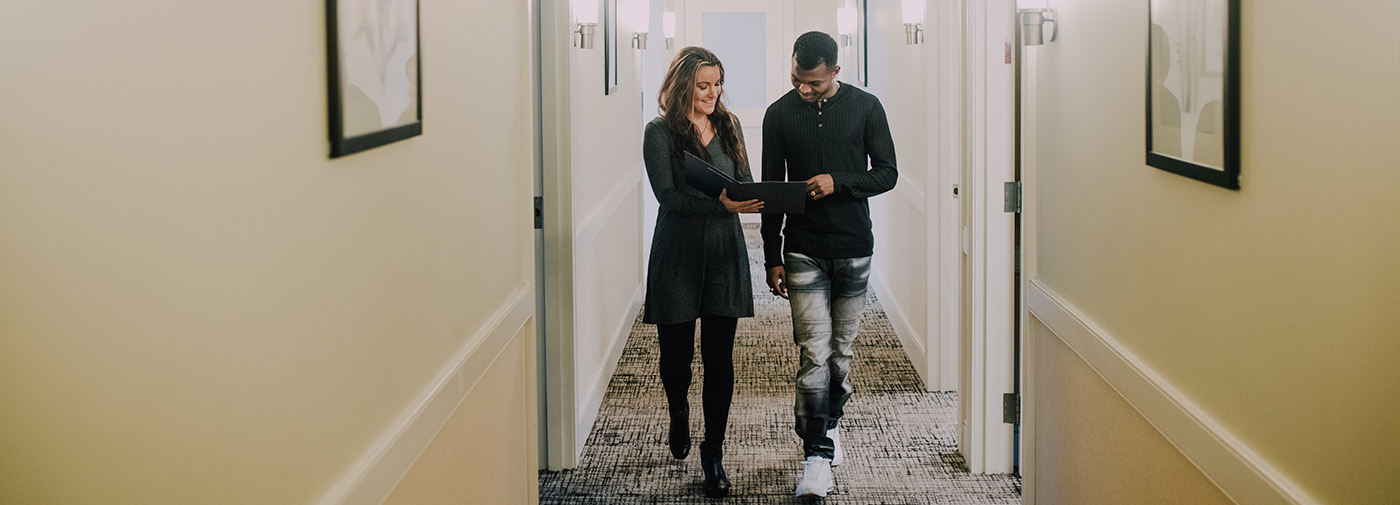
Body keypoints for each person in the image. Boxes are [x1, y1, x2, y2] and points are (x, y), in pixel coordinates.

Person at [760, 31, 898, 498]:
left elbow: (887, 173)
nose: (804, 89)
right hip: (803, 249)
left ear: (835, 72)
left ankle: (830, 422)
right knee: (813, 353)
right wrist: (772, 256)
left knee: (840, 353)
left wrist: (838, 182)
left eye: (814, 83)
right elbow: (772, 192)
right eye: (796, 79)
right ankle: (816, 456)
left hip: (855, 247)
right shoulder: (778, 114)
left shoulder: (866, 107)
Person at [641, 46, 764, 499]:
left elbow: (743, 180)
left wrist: (755, 197)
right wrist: (720, 205)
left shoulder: (729, 125)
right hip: (677, 254)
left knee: (720, 359)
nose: (713, 93)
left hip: (724, 254)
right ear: (682, 88)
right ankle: (678, 411)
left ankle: (713, 452)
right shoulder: (659, 132)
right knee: (676, 361)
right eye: (703, 86)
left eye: (717, 84)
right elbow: (667, 197)